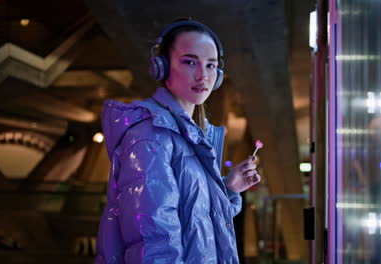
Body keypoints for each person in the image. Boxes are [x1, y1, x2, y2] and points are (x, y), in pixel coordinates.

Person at [95, 19, 261, 264]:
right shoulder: (151, 137)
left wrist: (228, 189)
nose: (203, 75)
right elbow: (154, 245)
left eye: (211, 65)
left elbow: (196, 225)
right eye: (190, 62)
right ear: (161, 67)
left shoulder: (190, 136)